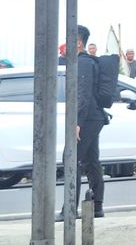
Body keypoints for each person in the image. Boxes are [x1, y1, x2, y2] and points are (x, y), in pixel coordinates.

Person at [57, 25, 106, 221]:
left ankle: (69, 209)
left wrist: (78, 122)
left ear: (78, 42)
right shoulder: (85, 62)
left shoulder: (83, 63)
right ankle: (97, 206)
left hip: (87, 118)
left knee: (70, 159)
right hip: (93, 117)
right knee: (90, 161)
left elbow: (83, 94)